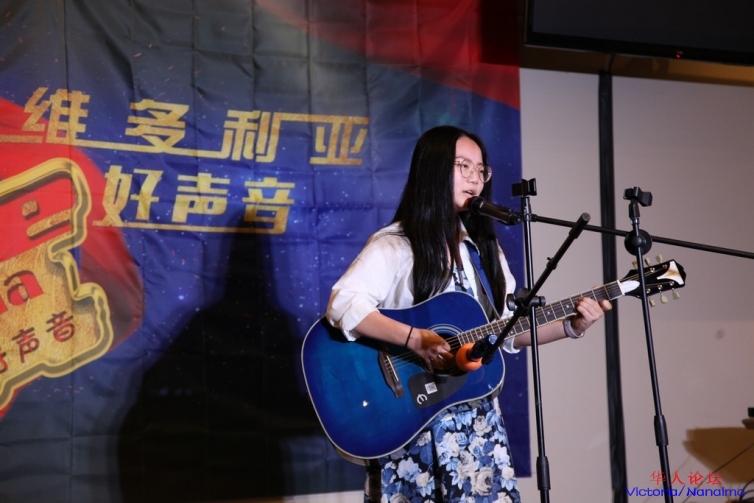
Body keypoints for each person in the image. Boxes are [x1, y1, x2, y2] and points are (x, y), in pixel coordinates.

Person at [326, 125, 612, 503]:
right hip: (413, 420)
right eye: (463, 166)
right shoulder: (396, 245)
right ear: (433, 171)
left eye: (481, 170)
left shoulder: (483, 250)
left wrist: (572, 326)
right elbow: (343, 304)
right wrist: (415, 339)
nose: (475, 178)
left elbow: (507, 330)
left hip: (477, 426)